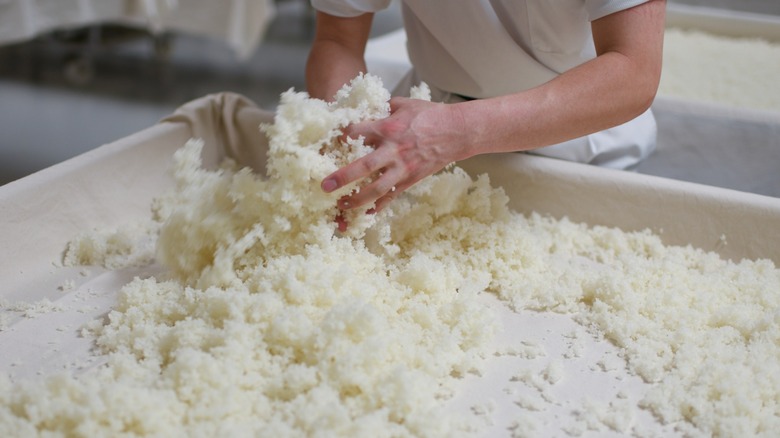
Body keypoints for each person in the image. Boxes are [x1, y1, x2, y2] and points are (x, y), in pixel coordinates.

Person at [306, 0, 666, 214]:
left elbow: (633, 72)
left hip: (581, 146)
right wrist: (345, 134)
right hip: (420, 150)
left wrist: (455, 130)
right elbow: (338, 39)